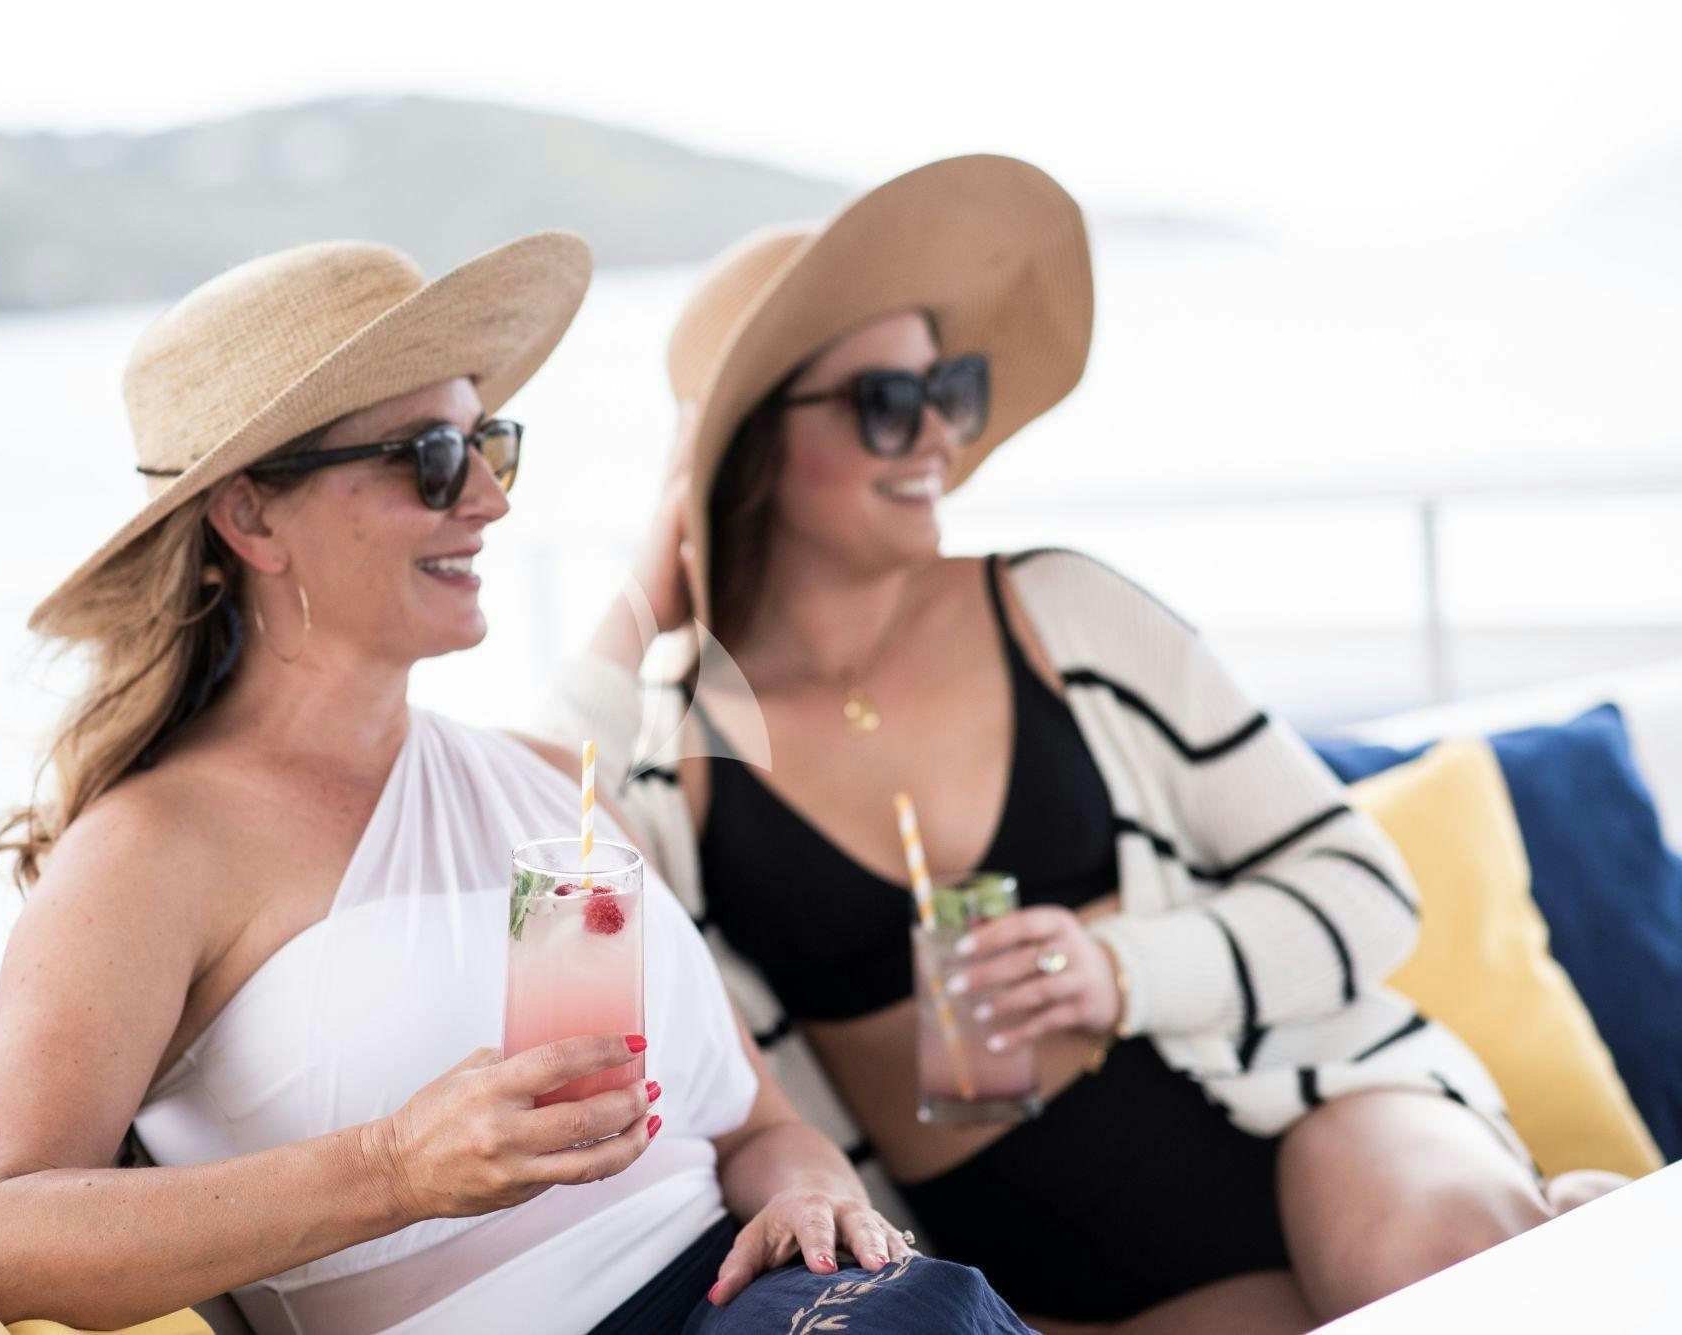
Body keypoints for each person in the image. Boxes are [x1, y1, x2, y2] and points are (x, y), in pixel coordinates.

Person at [537, 156, 1606, 1334]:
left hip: (1315, 1107)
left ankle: (1524, 1223)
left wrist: (1123, 969)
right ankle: (1562, 1224)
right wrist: (644, 586)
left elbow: (1365, 891)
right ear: (749, 446)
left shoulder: (1063, 617)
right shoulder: (677, 755)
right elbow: (526, 837)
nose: (937, 429)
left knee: (1441, 1273)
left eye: (951, 387)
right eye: (889, 400)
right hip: (1056, 1272)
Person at [0, 234, 1030, 1334]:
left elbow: (756, 1128)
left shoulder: (550, 788)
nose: (488, 501)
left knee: (933, 1306)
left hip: (762, 1300)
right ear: (252, 516)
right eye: (430, 460)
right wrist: (394, 1168)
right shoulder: (157, 848)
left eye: (489, 445)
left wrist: (809, 1195)